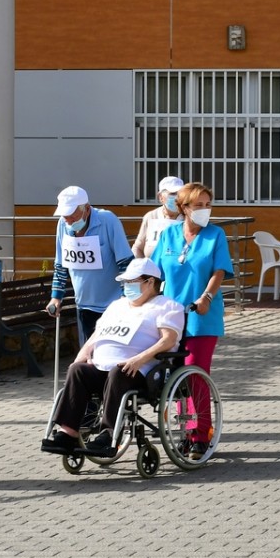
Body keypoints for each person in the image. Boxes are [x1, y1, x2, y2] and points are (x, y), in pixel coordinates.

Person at [42, 259, 184, 455]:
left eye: (132, 282)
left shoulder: (167, 306)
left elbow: (168, 340)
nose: (127, 286)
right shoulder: (118, 305)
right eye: (125, 282)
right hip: (103, 367)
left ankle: (108, 434)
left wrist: (139, 359)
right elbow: (96, 335)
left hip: (141, 370)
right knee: (77, 370)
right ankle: (68, 434)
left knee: (119, 371)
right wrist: (83, 355)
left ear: (150, 282)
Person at [151, 182, 233, 459]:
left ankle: (201, 434)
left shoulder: (215, 235)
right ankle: (185, 432)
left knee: (194, 373)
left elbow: (219, 271)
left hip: (201, 315)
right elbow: (155, 273)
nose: (205, 210)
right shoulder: (169, 234)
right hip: (171, 317)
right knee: (176, 377)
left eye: (208, 205)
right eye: (199, 205)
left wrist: (206, 297)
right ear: (183, 207)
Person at [46, 186, 134, 346]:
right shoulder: (62, 224)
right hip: (83, 305)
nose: (69, 221)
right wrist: (56, 297)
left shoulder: (108, 221)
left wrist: (125, 299)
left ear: (87, 209)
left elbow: (126, 263)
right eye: (65, 217)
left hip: (112, 306)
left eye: (73, 217)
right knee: (87, 355)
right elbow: (61, 264)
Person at [132, 176, 185, 259]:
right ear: (160, 197)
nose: (177, 197)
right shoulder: (151, 216)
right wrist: (142, 265)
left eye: (179, 194)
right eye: (172, 194)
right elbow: (138, 248)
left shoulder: (188, 217)